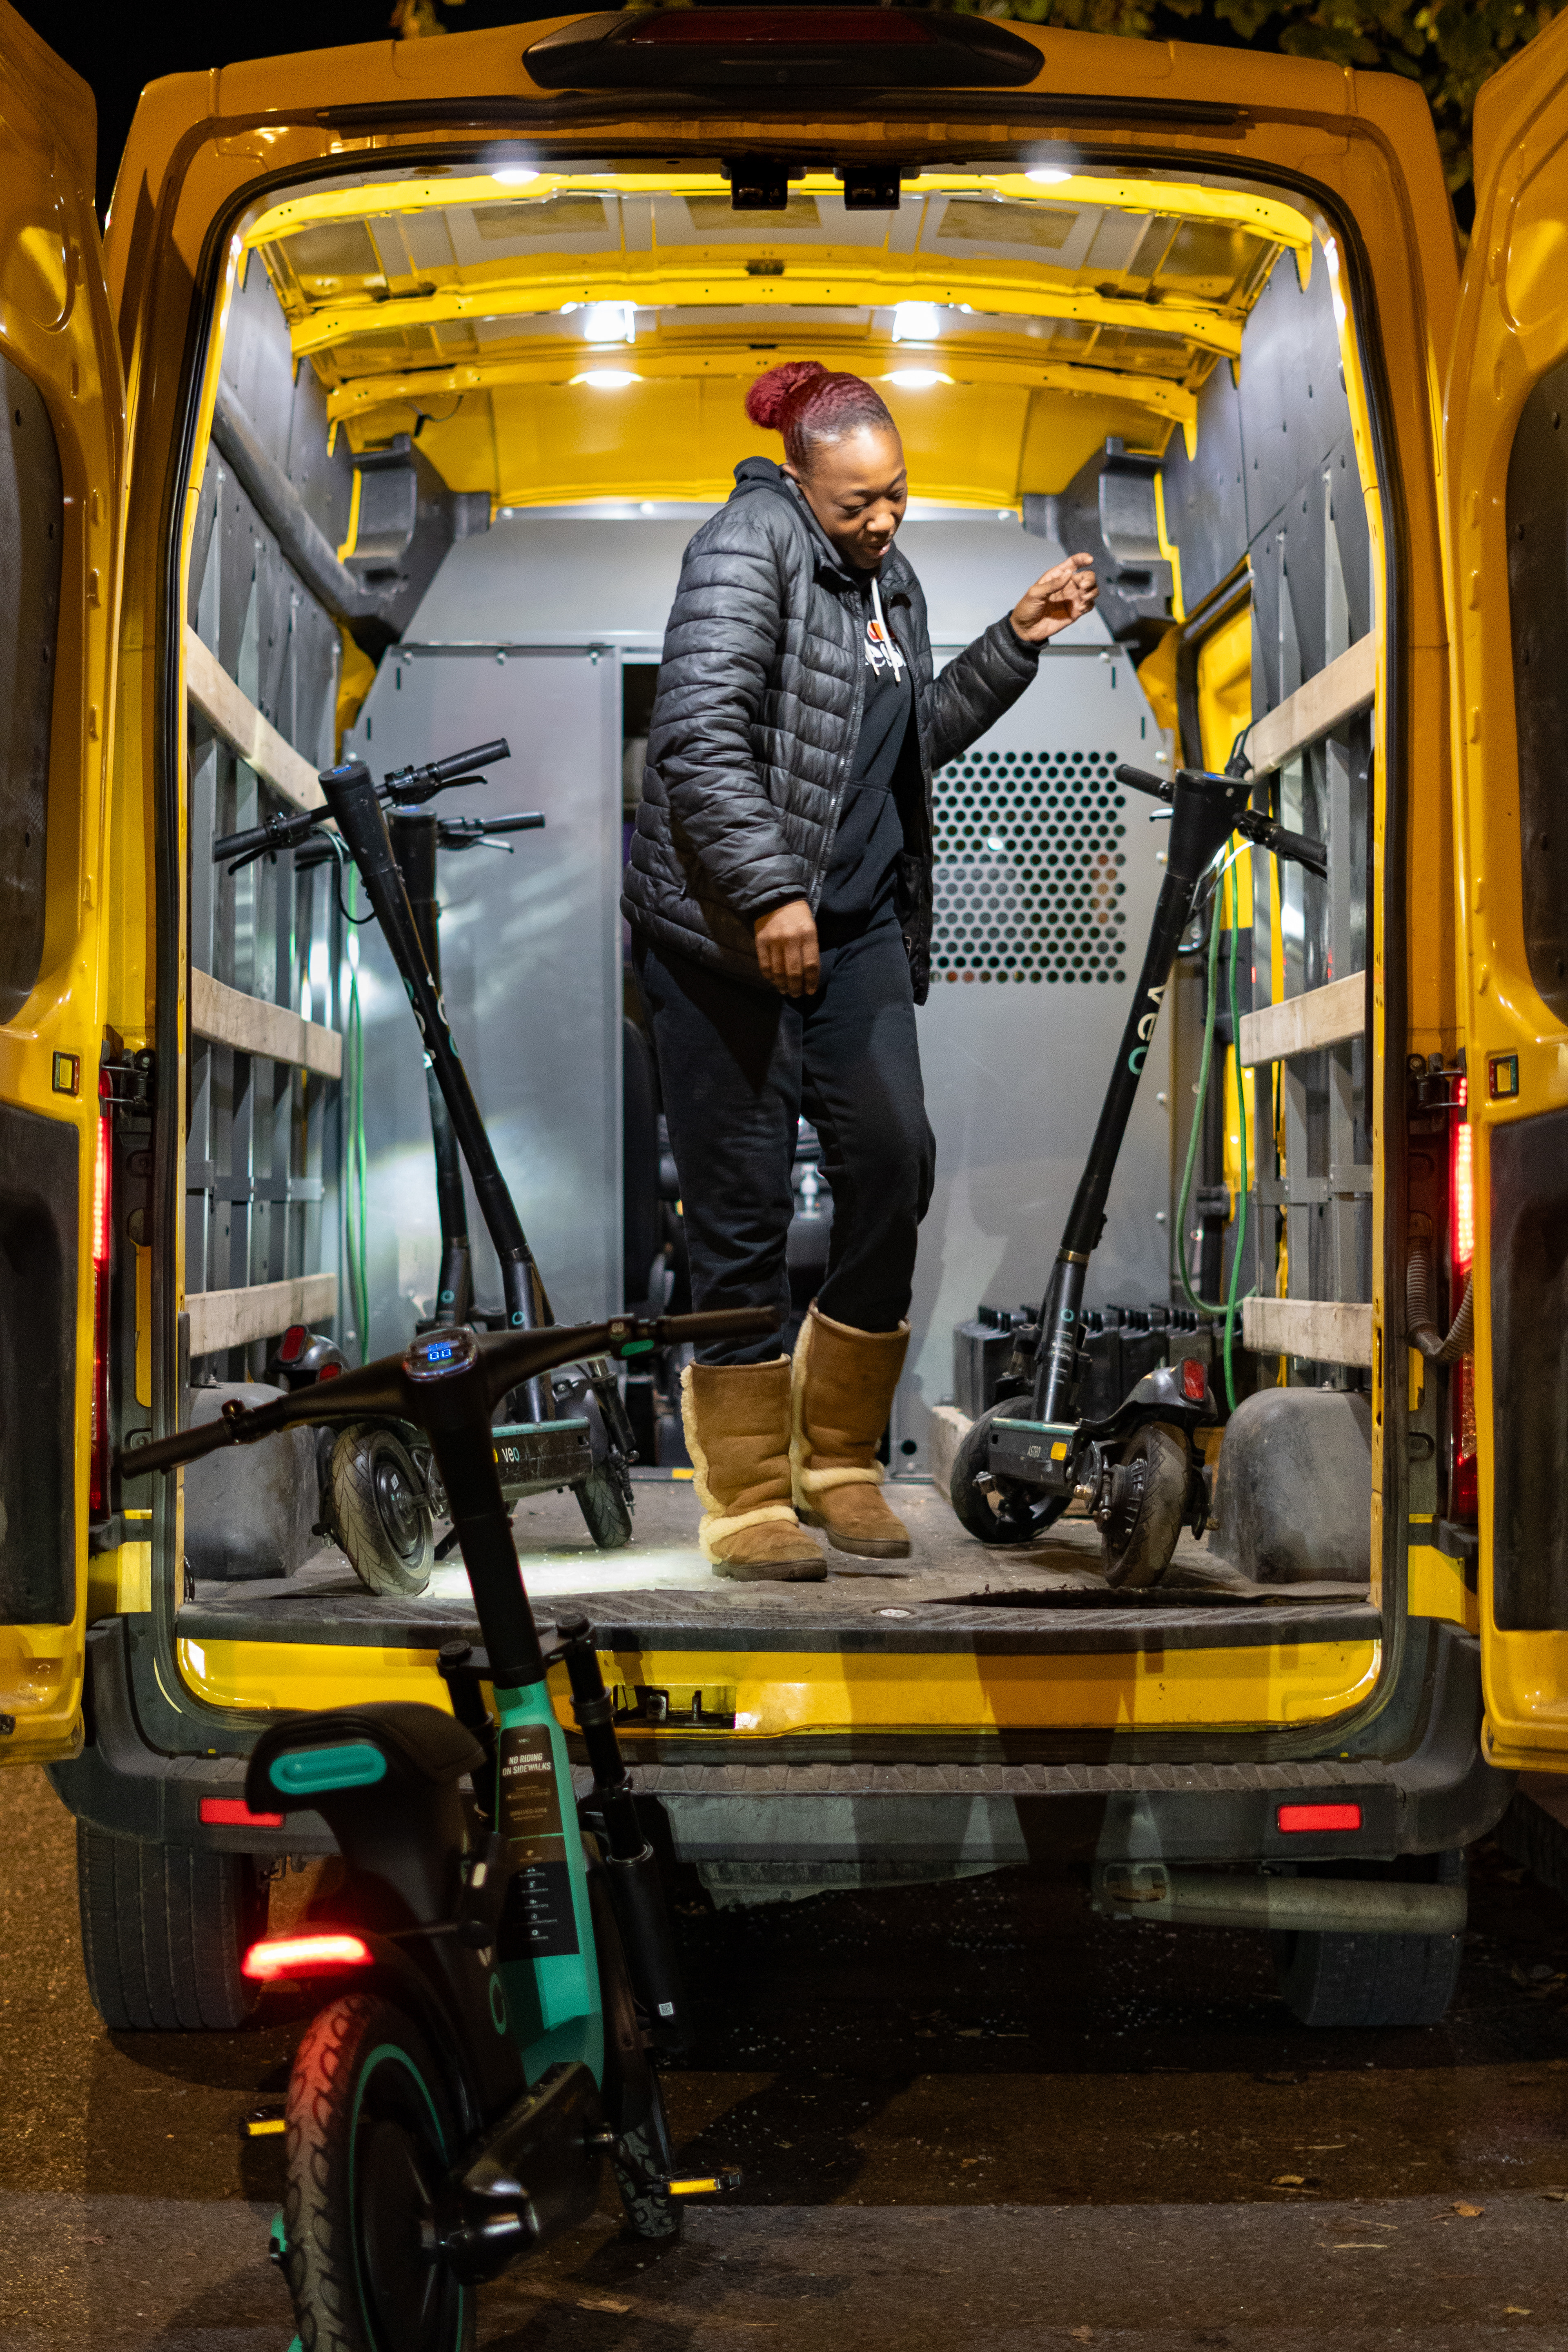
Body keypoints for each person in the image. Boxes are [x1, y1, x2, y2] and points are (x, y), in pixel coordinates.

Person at [623, 361, 1098, 1581]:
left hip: (859, 930)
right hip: (727, 943)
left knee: (894, 1162)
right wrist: (770, 890)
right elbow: (695, 735)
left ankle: (837, 1463)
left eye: (897, 495)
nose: (882, 520)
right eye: (856, 504)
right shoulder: (746, 550)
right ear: (800, 481)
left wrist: (1015, 643)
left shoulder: (892, 581)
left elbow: (903, 742)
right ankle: (744, 1496)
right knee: (738, 1211)